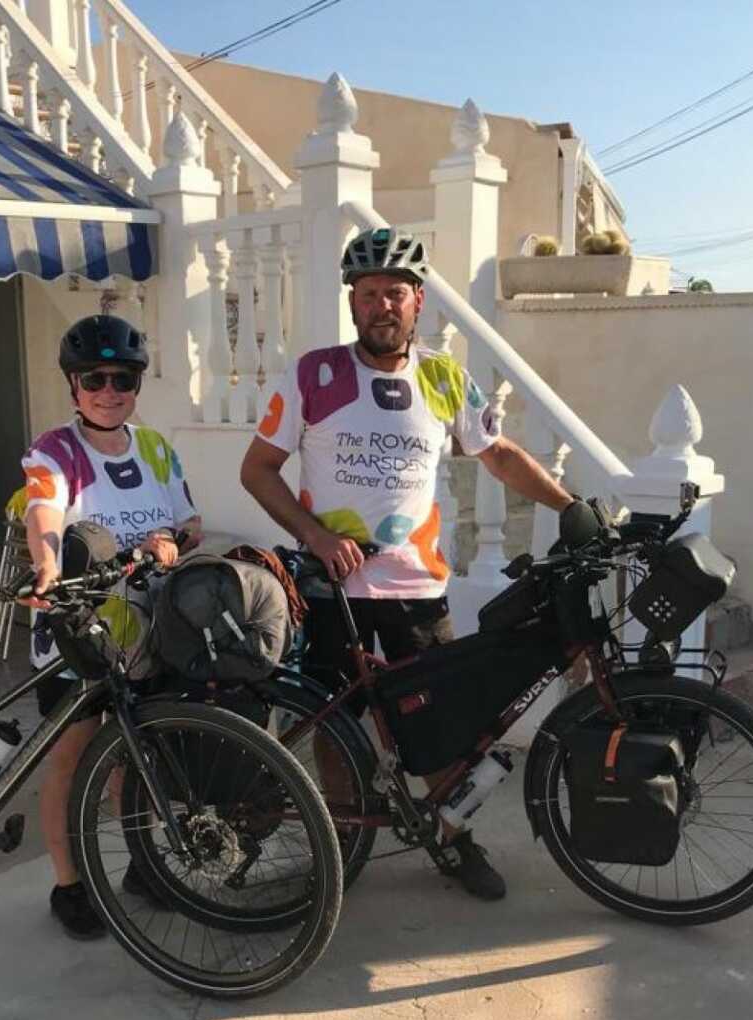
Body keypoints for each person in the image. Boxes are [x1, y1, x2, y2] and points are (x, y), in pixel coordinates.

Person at [240, 227, 573, 901]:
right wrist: (315, 535)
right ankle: (340, 842)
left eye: (395, 292)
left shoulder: (444, 376)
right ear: (352, 303)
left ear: (418, 301)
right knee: (336, 730)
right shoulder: (314, 374)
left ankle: (453, 840)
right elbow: (259, 470)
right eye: (367, 294)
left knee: (442, 724)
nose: (381, 305)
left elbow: (498, 454)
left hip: (418, 590)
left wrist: (570, 506)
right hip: (333, 590)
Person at [21, 314, 201, 939]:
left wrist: (170, 543)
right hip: (73, 634)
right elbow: (43, 509)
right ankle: (68, 885)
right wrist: (47, 565)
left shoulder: (154, 448)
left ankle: (143, 867)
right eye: (93, 378)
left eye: (121, 379)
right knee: (71, 761)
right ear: (73, 385)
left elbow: (190, 524)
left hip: (143, 633)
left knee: (136, 756)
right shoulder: (56, 450)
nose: (108, 390)